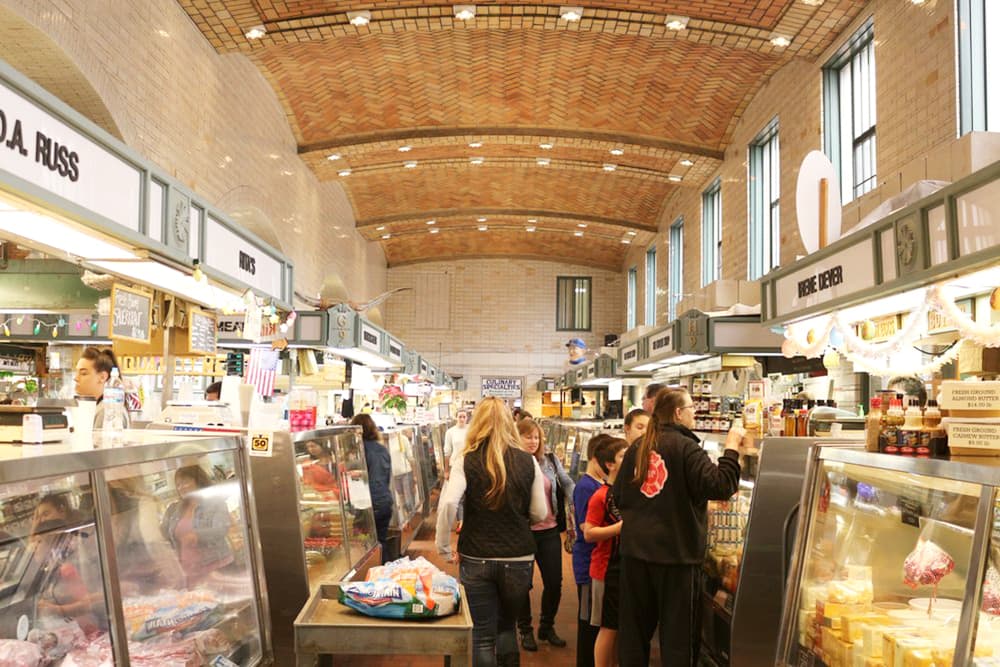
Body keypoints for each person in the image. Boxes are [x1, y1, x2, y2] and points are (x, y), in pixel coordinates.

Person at [613, 388, 744, 666]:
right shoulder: (686, 447)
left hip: (635, 556)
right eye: (691, 408)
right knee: (677, 642)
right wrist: (731, 448)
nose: (694, 413)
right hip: (676, 559)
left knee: (633, 638)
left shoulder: (638, 447)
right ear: (678, 413)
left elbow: (620, 496)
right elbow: (721, 485)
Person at [436, 397, 547, 667]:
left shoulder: (467, 459)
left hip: (477, 555)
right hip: (519, 556)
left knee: (483, 636)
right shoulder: (527, 460)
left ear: (478, 422)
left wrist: (443, 546)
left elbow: (449, 502)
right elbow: (540, 513)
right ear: (510, 423)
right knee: (507, 628)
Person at [516, 418, 574, 651]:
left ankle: (546, 626)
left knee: (554, 583)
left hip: (549, 531)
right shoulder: (514, 464)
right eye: (528, 436)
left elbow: (567, 483)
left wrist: (581, 499)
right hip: (523, 533)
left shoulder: (550, 460)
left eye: (536, 437)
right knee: (522, 585)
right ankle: (525, 630)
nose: (533, 441)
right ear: (517, 438)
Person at [31, 493, 108, 635]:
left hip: (87, 632)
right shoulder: (49, 568)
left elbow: (87, 604)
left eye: (38, 542)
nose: (34, 547)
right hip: (72, 631)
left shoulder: (67, 567)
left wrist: (55, 609)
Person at [583, 437, 629, 667]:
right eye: (623, 456)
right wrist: (621, 528)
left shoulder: (627, 492)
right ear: (610, 464)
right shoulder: (600, 496)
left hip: (622, 570)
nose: (629, 459)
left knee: (618, 629)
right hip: (605, 570)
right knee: (608, 627)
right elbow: (589, 533)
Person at [572, 433, 614, 667]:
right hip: (588, 566)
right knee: (587, 623)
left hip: (597, 564)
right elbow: (585, 528)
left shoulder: (598, 485)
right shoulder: (586, 487)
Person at [161, 465, 234, 587]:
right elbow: (164, 534)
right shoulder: (173, 509)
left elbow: (221, 529)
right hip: (188, 571)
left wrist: (197, 536)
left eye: (185, 482)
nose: (181, 488)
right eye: (178, 484)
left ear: (198, 482)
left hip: (216, 566)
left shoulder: (216, 502)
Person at [351, 414, 394, 563]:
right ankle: (385, 574)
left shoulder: (360, 451)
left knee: (365, 546)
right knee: (381, 542)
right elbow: (385, 477)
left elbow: (358, 480)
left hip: (369, 505)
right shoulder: (382, 449)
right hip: (385, 502)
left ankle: (374, 576)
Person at [74, 347, 131, 429]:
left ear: (102, 377)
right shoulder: (98, 408)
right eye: (77, 372)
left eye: (83, 373)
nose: (76, 378)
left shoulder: (107, 412)